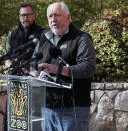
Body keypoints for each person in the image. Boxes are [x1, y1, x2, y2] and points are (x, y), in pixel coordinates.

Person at [30, 2, 96, 131]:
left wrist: (58, 69)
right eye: (50, 16)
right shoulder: (44, 39)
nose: (53, 19)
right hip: (48, 107)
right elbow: (33, 63)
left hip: (73, 109)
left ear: (68, 17)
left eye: (57, 15)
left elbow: (88, 68)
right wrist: (32, 72)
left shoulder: (81, 38)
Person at [3, 4, 44, 131]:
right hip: (15, 82)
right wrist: (13, 67)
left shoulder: (42, 33)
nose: (26, 17)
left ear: (34, 16)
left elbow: (45, 57)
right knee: (12, 118)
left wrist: (33, 71)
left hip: (34, 84)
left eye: (28, 15)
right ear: (19, 17)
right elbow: (6, 58)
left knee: (32, 120)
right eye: (23, 15)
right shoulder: (12, 34)